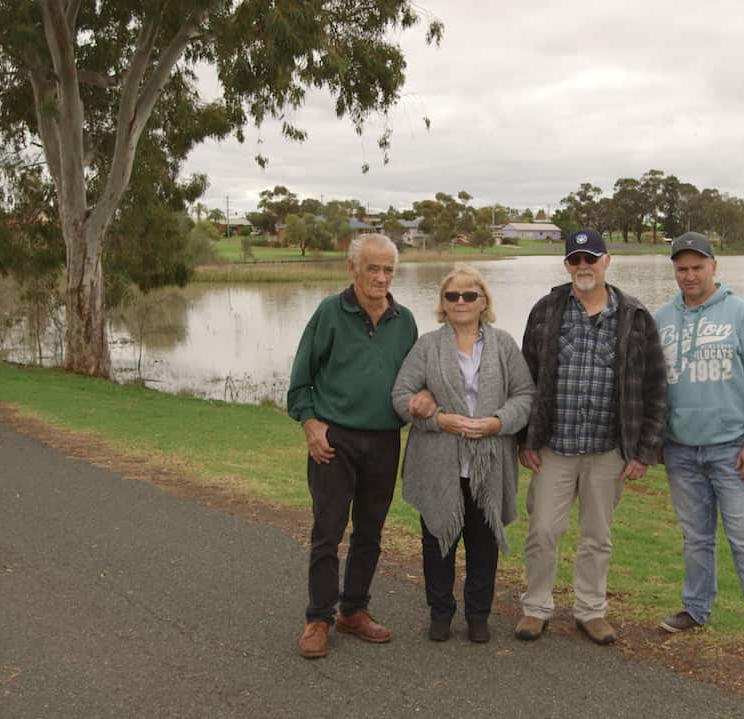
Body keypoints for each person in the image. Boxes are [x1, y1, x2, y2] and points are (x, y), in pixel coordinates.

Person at [514, 229, 667, 646]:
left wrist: (644, 449)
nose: (584, 266)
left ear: (607, 261)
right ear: (567, 264)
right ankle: (536, 607)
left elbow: (655, 386)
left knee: (597, 536)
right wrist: (526, 438)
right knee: (543, 530)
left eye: (591, 258)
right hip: (553, 447)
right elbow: (525, 377)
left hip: (608, 450)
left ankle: (590, 610)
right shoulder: (546, 310)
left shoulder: (634, 316)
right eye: (576, 259)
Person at [652, 231, 744, 661]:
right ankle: (695, 610)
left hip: (731, 448)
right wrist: (657, 435)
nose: (690, 275)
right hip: (681, 450)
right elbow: (654, 384)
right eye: (682, 268)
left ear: (714, 267)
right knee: (696, 537)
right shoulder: (661, 319)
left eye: (698, 267)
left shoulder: (741, 313)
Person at [286, 233, 418, 659]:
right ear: (352, 268)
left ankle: (354, 610)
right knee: (328, 530)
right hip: (333, 440)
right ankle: (318, 618)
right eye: (372, 269)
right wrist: (310, 424)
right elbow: (301, 379)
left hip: (384, 440)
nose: (380, 278)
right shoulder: (330, 312)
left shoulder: (406, 320)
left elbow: (414, 380)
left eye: (387, 270)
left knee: (370, 532)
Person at [391, 265, 534, 644]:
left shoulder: (503, 345)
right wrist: (438, 419)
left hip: (489, 462)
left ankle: (478, 616)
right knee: (437, 541)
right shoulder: (427, 346)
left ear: (483, 300)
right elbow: (401, 397)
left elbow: (525, 396)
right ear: (442, 303)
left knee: (483, 543)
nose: (460, 302)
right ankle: (440, 614)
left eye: (469, 295)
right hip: (438, 462)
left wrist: (497, 422)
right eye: (452, 296)